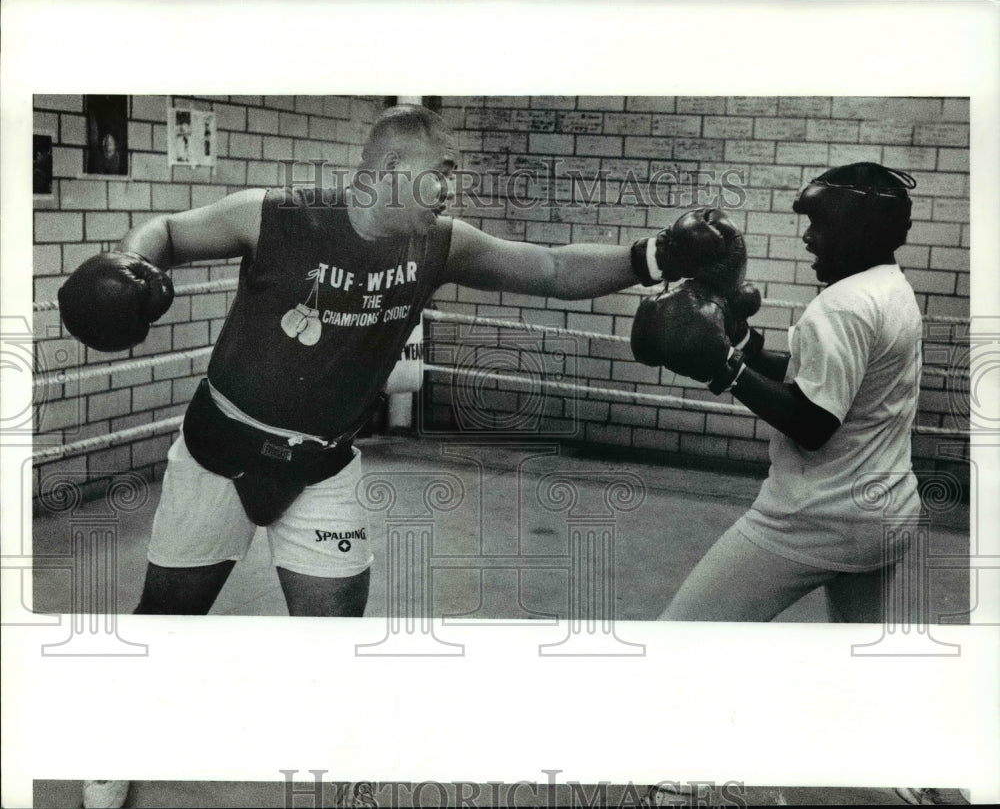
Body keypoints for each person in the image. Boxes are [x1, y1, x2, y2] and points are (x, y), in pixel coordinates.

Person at [58, 103, 748, 623]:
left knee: (336, 644)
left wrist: (652, 257)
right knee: (168, 622)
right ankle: (109, 757)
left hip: (322, 467)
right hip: (220, 452)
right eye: (441, 172)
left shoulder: (439, 246)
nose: (451, 187)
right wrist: (131, 263)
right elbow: (173, 231)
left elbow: (550, 268)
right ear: (392, 171)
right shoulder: (277, 216)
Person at [631, 162, 923, 622]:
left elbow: (814, 424)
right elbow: (826, 379)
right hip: (885, 511)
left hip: (816, 517)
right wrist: (739, 343)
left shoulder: (843, 306)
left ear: (859, 231)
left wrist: (725, 369)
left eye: (821, 225)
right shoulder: (890, 288)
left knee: (678, 635)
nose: (808, 237)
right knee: (859, 660)